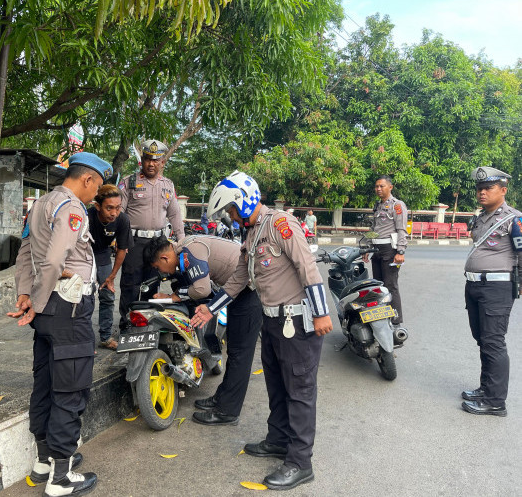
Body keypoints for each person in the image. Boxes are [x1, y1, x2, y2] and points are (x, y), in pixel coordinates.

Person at [191, 171, 332, 491]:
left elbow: (306, 266)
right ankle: (279, 439)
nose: (229, 215)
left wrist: (322, 313)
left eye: (230, 209)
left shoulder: (281, 223)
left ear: (244, 201)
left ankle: (300, 462)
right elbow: (238, 281)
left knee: (299, 391)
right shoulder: (252, 234)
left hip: (296, 322)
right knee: (277, 386)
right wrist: (209, 309)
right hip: (272, 323)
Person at [9, 152, 113, 497]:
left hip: (48, 311)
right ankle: (61, 478)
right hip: (68, 309)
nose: (95, 195)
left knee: (46, 384)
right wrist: (35, 303)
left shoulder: (39, 205)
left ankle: (44, 463)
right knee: (71, 389)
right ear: (87, 180)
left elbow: (25, 253)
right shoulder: (71, 208)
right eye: (96, 187)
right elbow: (54, 260)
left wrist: (26, 295)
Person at [142, 235, 263, 426]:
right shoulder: (183, 249)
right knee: (234, 351)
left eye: (158, 267)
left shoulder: (190, 251)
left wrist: (174, 296)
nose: (161, 272)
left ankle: (227, 412)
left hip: (250, 292)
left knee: (240, 354)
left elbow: (202, 290)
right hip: (237, 292)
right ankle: (221, 400)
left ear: (165, 258)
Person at [461, 166, 522, 417]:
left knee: (493, 342)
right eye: (479, 189)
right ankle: (486, 388)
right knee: (482, 340)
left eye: (488, 188)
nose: (482, 192)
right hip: (475, 285)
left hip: (497, 287)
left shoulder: (514, 218)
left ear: (503, 190)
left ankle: (496, 401)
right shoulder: (481, 217)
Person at [118, 139, 185, 328]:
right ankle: (126, 325)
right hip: (134, 242)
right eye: (148, 159)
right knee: (130, 285)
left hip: (158, 243)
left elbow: (174, 214)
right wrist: (119, 241)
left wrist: (181, 240)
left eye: (156, 160)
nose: (151, 164)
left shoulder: (168, 185)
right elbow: (120, 214)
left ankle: (147, 325)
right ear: (143, 160)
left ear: (163, 162)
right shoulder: (129, 182)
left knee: (153, 283)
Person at [87, 184, 132, 350]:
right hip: (83, 255)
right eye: (109, 208)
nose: (114, 213)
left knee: (107, 295)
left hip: (103, 255)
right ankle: (83, 341)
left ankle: (105, 338)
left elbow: (122, 249)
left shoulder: (122, 219)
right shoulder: (87, 217)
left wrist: (112, 276)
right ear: (97, 206)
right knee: (85, 297)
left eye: (118, 207)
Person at [362, 175, 408, 330]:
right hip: (377, 250)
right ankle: (382, 317)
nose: (378, 189)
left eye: (382, 186)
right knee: (379, 285)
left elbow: (402, 229)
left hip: (390, 250)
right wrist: (367, 247)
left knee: (390, 285)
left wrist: (400, 251)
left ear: (390, 187)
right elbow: (374, 229)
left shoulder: (397, 205)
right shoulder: (377, 206)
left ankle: (396, 322)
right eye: (376, 186)